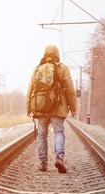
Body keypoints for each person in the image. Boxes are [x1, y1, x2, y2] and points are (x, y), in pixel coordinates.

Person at [26, 45, 76, 173]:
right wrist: (73, 107)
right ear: (57, 54)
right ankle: (59, 158)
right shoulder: (63, 68)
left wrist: (29, 107)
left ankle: (43, 163)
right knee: (58, 132)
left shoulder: (38, 68)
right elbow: (70, 89)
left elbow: (30, 89)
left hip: (41, 108)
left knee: (42, 134)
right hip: (57, 107)